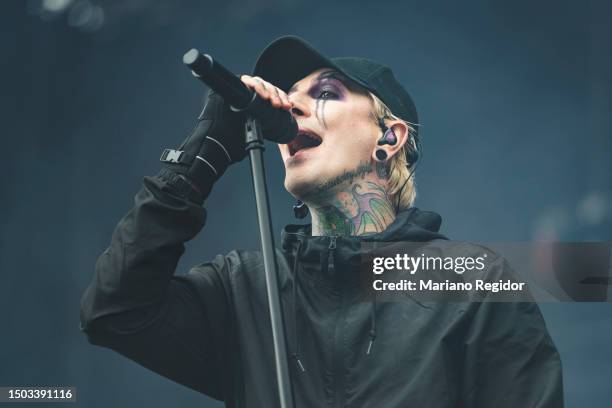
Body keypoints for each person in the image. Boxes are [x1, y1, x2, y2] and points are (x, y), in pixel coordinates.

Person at [80, 36, 564, 407]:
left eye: (326, 93)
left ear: (389, 138)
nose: (292, 106)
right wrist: (200, 157)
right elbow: (115, 312)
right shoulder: (246, 289)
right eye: (289, 97)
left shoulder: (472, 281)